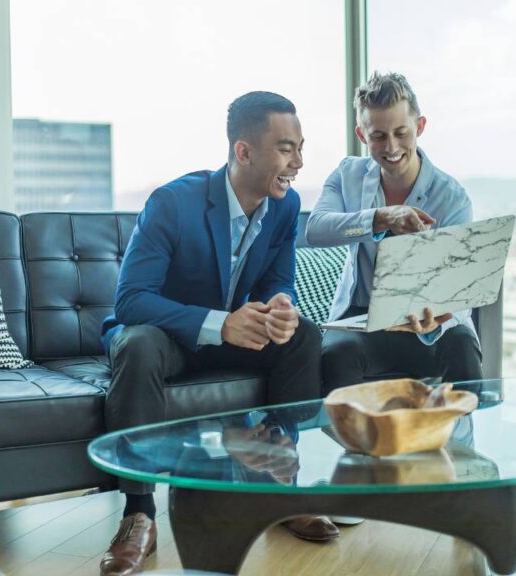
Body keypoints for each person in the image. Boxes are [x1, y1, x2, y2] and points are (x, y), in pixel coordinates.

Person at [98, 91, 335, 576]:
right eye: (286, 149)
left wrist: (281, 306)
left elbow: (278, 280)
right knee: (137, 344)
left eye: (300, 148)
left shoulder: (285, 206)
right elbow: (131, 300)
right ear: (244, 151)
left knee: (303, 336)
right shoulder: (172, 202)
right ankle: (138, 515)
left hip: (231, 337)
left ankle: (279, 484)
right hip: (166, 339)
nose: (298, 162)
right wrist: (219, 323)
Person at [306, 72, 484, 393]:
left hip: (427, 321)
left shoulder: (452, 197)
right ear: (362, 135)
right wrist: (379, 219)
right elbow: (316, 229)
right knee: (337, 354)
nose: (391, 147)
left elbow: (460, 289)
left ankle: (464, 427)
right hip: (362, 320)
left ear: (420, 126)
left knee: (462, 345)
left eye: (401, 132)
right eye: (378, 136)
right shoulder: (347, 175)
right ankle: (350, 429)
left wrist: (437, 317)